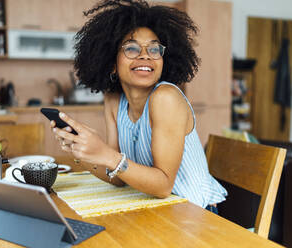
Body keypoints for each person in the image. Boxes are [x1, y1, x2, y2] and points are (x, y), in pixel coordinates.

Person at [51, 0, 227, 212]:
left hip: (196, 213)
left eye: (154, 49)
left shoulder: (166, 98)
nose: (145, 55)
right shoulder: (114, 100)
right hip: (158, 208)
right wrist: (83, 151)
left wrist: (106, 153)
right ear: (112, 64)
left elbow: (163, 185)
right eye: (131, 48)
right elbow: (117, 178)